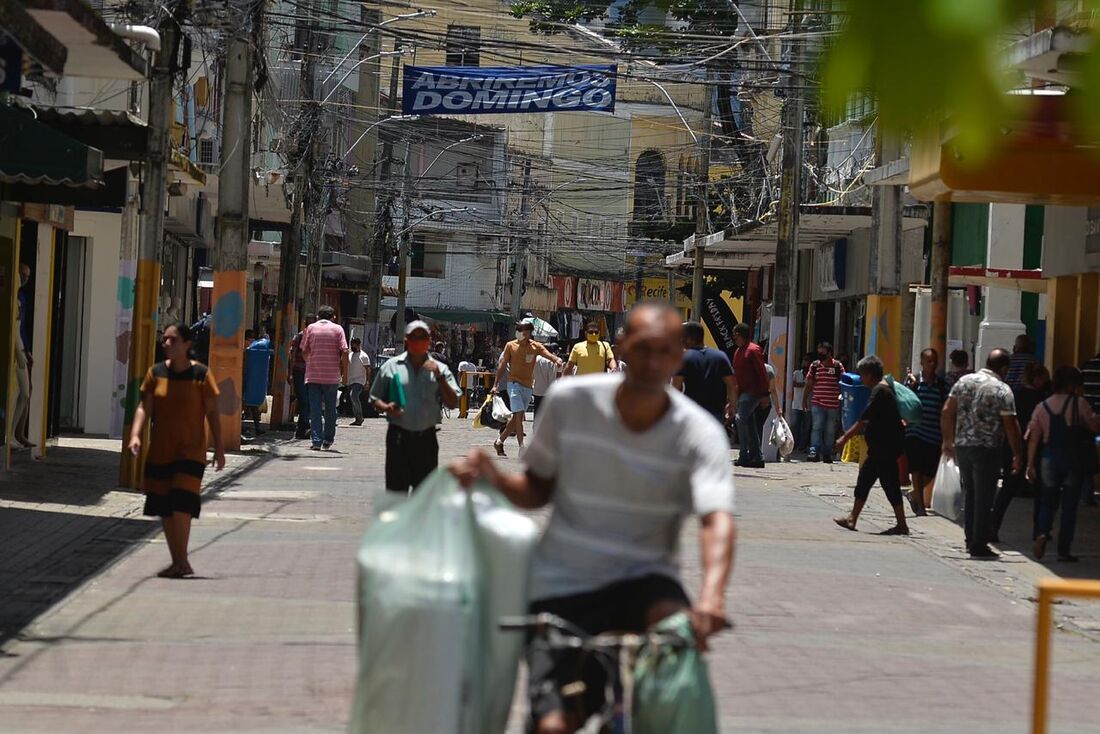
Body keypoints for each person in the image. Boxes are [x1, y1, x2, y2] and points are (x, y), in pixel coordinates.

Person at [449, 303, 736, 734]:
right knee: (555, 724)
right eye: (643, 349)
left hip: (647, 580)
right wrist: (492, 477)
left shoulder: (698, 431)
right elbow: (537, 489)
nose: (653, 363)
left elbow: (716, 519)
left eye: (665, 352)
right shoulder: (570, 402)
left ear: (680, 358)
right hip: (564, 580)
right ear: (620, 348)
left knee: (680, 664)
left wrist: (712, 599)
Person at [127, 324, 226, 578]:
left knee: (181, 504)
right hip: (161, 451)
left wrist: (220, 448)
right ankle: (178, 561)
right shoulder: (156, 373)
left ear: (187, 344)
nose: (166, 344)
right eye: (164, 340)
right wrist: (136, 434)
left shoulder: (201, 375)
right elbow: (144, 408)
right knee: (165, 507)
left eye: (172, 340)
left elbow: (213, 412)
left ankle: (182, 561)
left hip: (191, 452)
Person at [942, 348, 1024, 559]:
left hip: (963, 446)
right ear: (1004, 368)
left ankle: (971, 538)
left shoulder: (964, 382)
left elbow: (947, 410)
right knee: (984, 497)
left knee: (971, 493)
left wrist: (948, 440)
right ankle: (979, 543)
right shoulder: (1002, 390)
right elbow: (1011, 424)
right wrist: (1017, 453)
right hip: (987, 448)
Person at [370, 321, 459, 494]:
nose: (418, 341)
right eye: (414, 337)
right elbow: (374, 398)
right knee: (396, 494)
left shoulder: (440, 369)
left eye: (422, 337)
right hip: (398, 437)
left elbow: (453, 403)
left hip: (426, 439)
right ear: (406, 339)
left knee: (424, 495)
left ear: (429, 341)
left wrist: (439, 378)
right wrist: (386, 407)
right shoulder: (391, 366)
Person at [1026, 366, 1100, 561]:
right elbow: (1093, 425)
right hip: (1072, 458)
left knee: (1048, 501)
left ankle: (1042, 532)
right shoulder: (1079, 404)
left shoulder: (1043, 406)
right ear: (1072, 385)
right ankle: (1063, 550)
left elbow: (1034, 436)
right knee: (1069, 506)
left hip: (1049, 457)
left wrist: (1030, 464)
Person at [832, 355, 910, 536]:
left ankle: (901, 524)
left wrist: (844, 439)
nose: (861, 379)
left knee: (888, 484)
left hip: (884, 448)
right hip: (882, 447)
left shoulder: (880, 391)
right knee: (867, 481)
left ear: (869, 374)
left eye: (862, 375)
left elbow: (862, 420)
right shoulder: (883, 389)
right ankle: (853, 518)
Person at [991, 362, 1049, 539]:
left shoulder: (1014, 395)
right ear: (1038, 379)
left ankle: (993, 527)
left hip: (1012, 446)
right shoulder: (1041, 400)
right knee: (1040, 491)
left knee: (1007, 489)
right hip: (1036, 448)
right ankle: (1039, 530)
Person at [493, 319, 564, 457]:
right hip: (513, 384)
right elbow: (502, 365)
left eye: (524, 331)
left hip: (527, 386)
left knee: (516, 418)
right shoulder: (510, 345)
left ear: (529, 333)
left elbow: (547, 354)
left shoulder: (535, 346)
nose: (521, 334)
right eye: (519, 331)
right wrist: (495, 384)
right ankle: (522, 446)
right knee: (519, 414)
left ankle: (499, 441)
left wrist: (556, 360)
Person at [903, 348, 949, 516]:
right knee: (917, 467)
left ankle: (913, 495)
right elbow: (904, 401)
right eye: (929, 361)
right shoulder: (913, 380)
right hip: (915, 431)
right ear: (922, 363)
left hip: (934, 433)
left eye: (934, 361)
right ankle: (921, 507)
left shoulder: (942, 385)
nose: (932, 364)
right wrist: (912, 386)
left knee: (931, 471)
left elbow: (945, 409)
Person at [300, 306, 348, 451]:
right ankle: (328, 439)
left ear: (318, 317)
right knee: (330, 409)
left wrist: (310, 363)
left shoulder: (310, 328)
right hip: (331, 376)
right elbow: (344, 351)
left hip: (313, 376)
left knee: (314, 410)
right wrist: (344, 373)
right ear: (333, 316)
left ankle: (316, 441)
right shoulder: (338, 329)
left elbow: (304, 350)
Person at [672, 320, 735, 425]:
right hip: (715, 414)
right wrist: (732, 404)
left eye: (683, 337)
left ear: (690, 338)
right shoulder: (720, 356)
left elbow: (676, 387)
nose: (681, 340)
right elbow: (732, 384)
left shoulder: (683, 358)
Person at [730, 322, 769, 468]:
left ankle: (744, 455)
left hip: (753, 392)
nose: (734, 338)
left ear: (742, 335)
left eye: (736, 334)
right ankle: (757, 457)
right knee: (750, 425)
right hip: (742, 393)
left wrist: (765, 394)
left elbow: (761, 372)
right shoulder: (738, 351)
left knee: (740, 419)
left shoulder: (753, 350)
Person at [803, 342, 845, 463]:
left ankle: (827, 453)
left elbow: (844, 382)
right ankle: (814, 451)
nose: (820, 354)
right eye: (819, 351)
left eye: (823, 351)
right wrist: (804, 399)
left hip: (833, 404)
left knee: (830, 430)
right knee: (817, 426)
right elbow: (809, 384)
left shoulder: (837, 366)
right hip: (817, 402)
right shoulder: (815, 365)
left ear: (829, 352)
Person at [289, 313, 316, 439]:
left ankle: (303, 428)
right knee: (304, 400)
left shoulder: (316, 337)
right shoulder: (300, 336)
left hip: (311, 373)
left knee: (308, 401)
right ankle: (303, 428)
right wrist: (289, 373)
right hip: (299, 372)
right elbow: (292, 355)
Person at [242, 333, 272, 436]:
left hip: (250, 381)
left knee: (253, 405)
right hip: (243, 380)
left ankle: (257, 427)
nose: (251, 343)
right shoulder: (243, 352)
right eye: (250, 341)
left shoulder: (250, 352)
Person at [346, 337, 373, 426]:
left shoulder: (364, 356)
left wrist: (368, 382)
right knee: (353, 399)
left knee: (353, 396)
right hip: (351, 380)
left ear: (358, 345)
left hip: (360, 380)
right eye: (352, 343)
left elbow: (368, 370)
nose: (352, 346)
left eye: (354, 344)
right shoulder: (350, 355)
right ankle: (357, 418)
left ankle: (360, 417)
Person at [790, 353, 814, 452]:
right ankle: (794, 444)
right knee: (795, 425)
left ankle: (802, 446)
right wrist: (803, 384)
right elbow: (793, 383)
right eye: (804, 360)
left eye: (807, 360)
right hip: (796, 404)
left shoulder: (812, 375)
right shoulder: (796, 373)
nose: (805, 362)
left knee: (806, 427)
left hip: (808, 405)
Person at [531, 345, 560, 417]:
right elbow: (552, 378)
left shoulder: (536, 359)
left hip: (537, 389)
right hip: (548, 391)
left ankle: (535, 426)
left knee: (537, 411)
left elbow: (532, 374)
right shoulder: (551, 361)